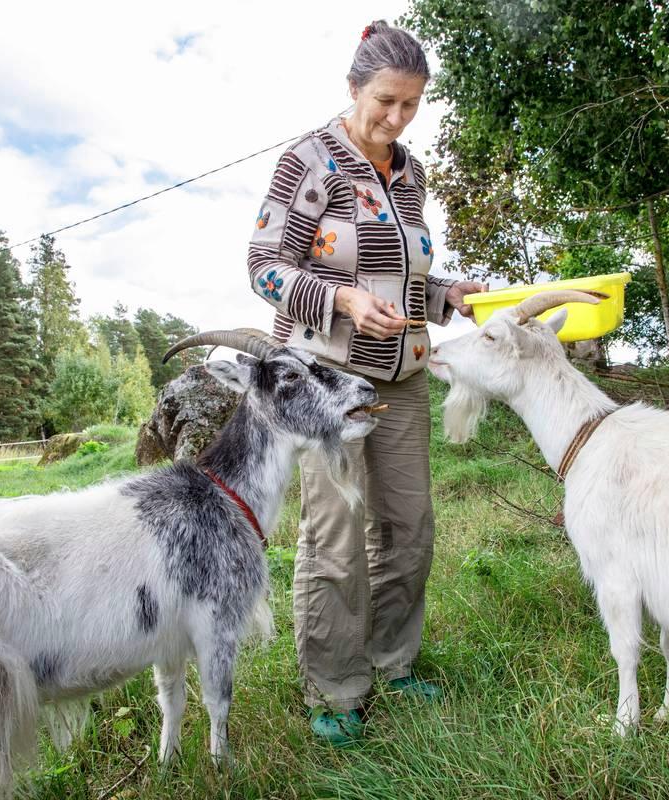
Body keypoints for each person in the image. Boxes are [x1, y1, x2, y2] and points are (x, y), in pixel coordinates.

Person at [246, 19, 486, 745]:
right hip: (325, 382)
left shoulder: (408, 174)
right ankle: (336, 688)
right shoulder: (307, 161)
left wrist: (446, 295)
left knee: (409, 528)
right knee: (336, 538)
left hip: (402, 379)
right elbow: (264, 267)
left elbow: (408, 273)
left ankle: (393, 659)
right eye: (385, 100)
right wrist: (343, 300)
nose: (395, 118)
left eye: (411, 105)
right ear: (354, 88)